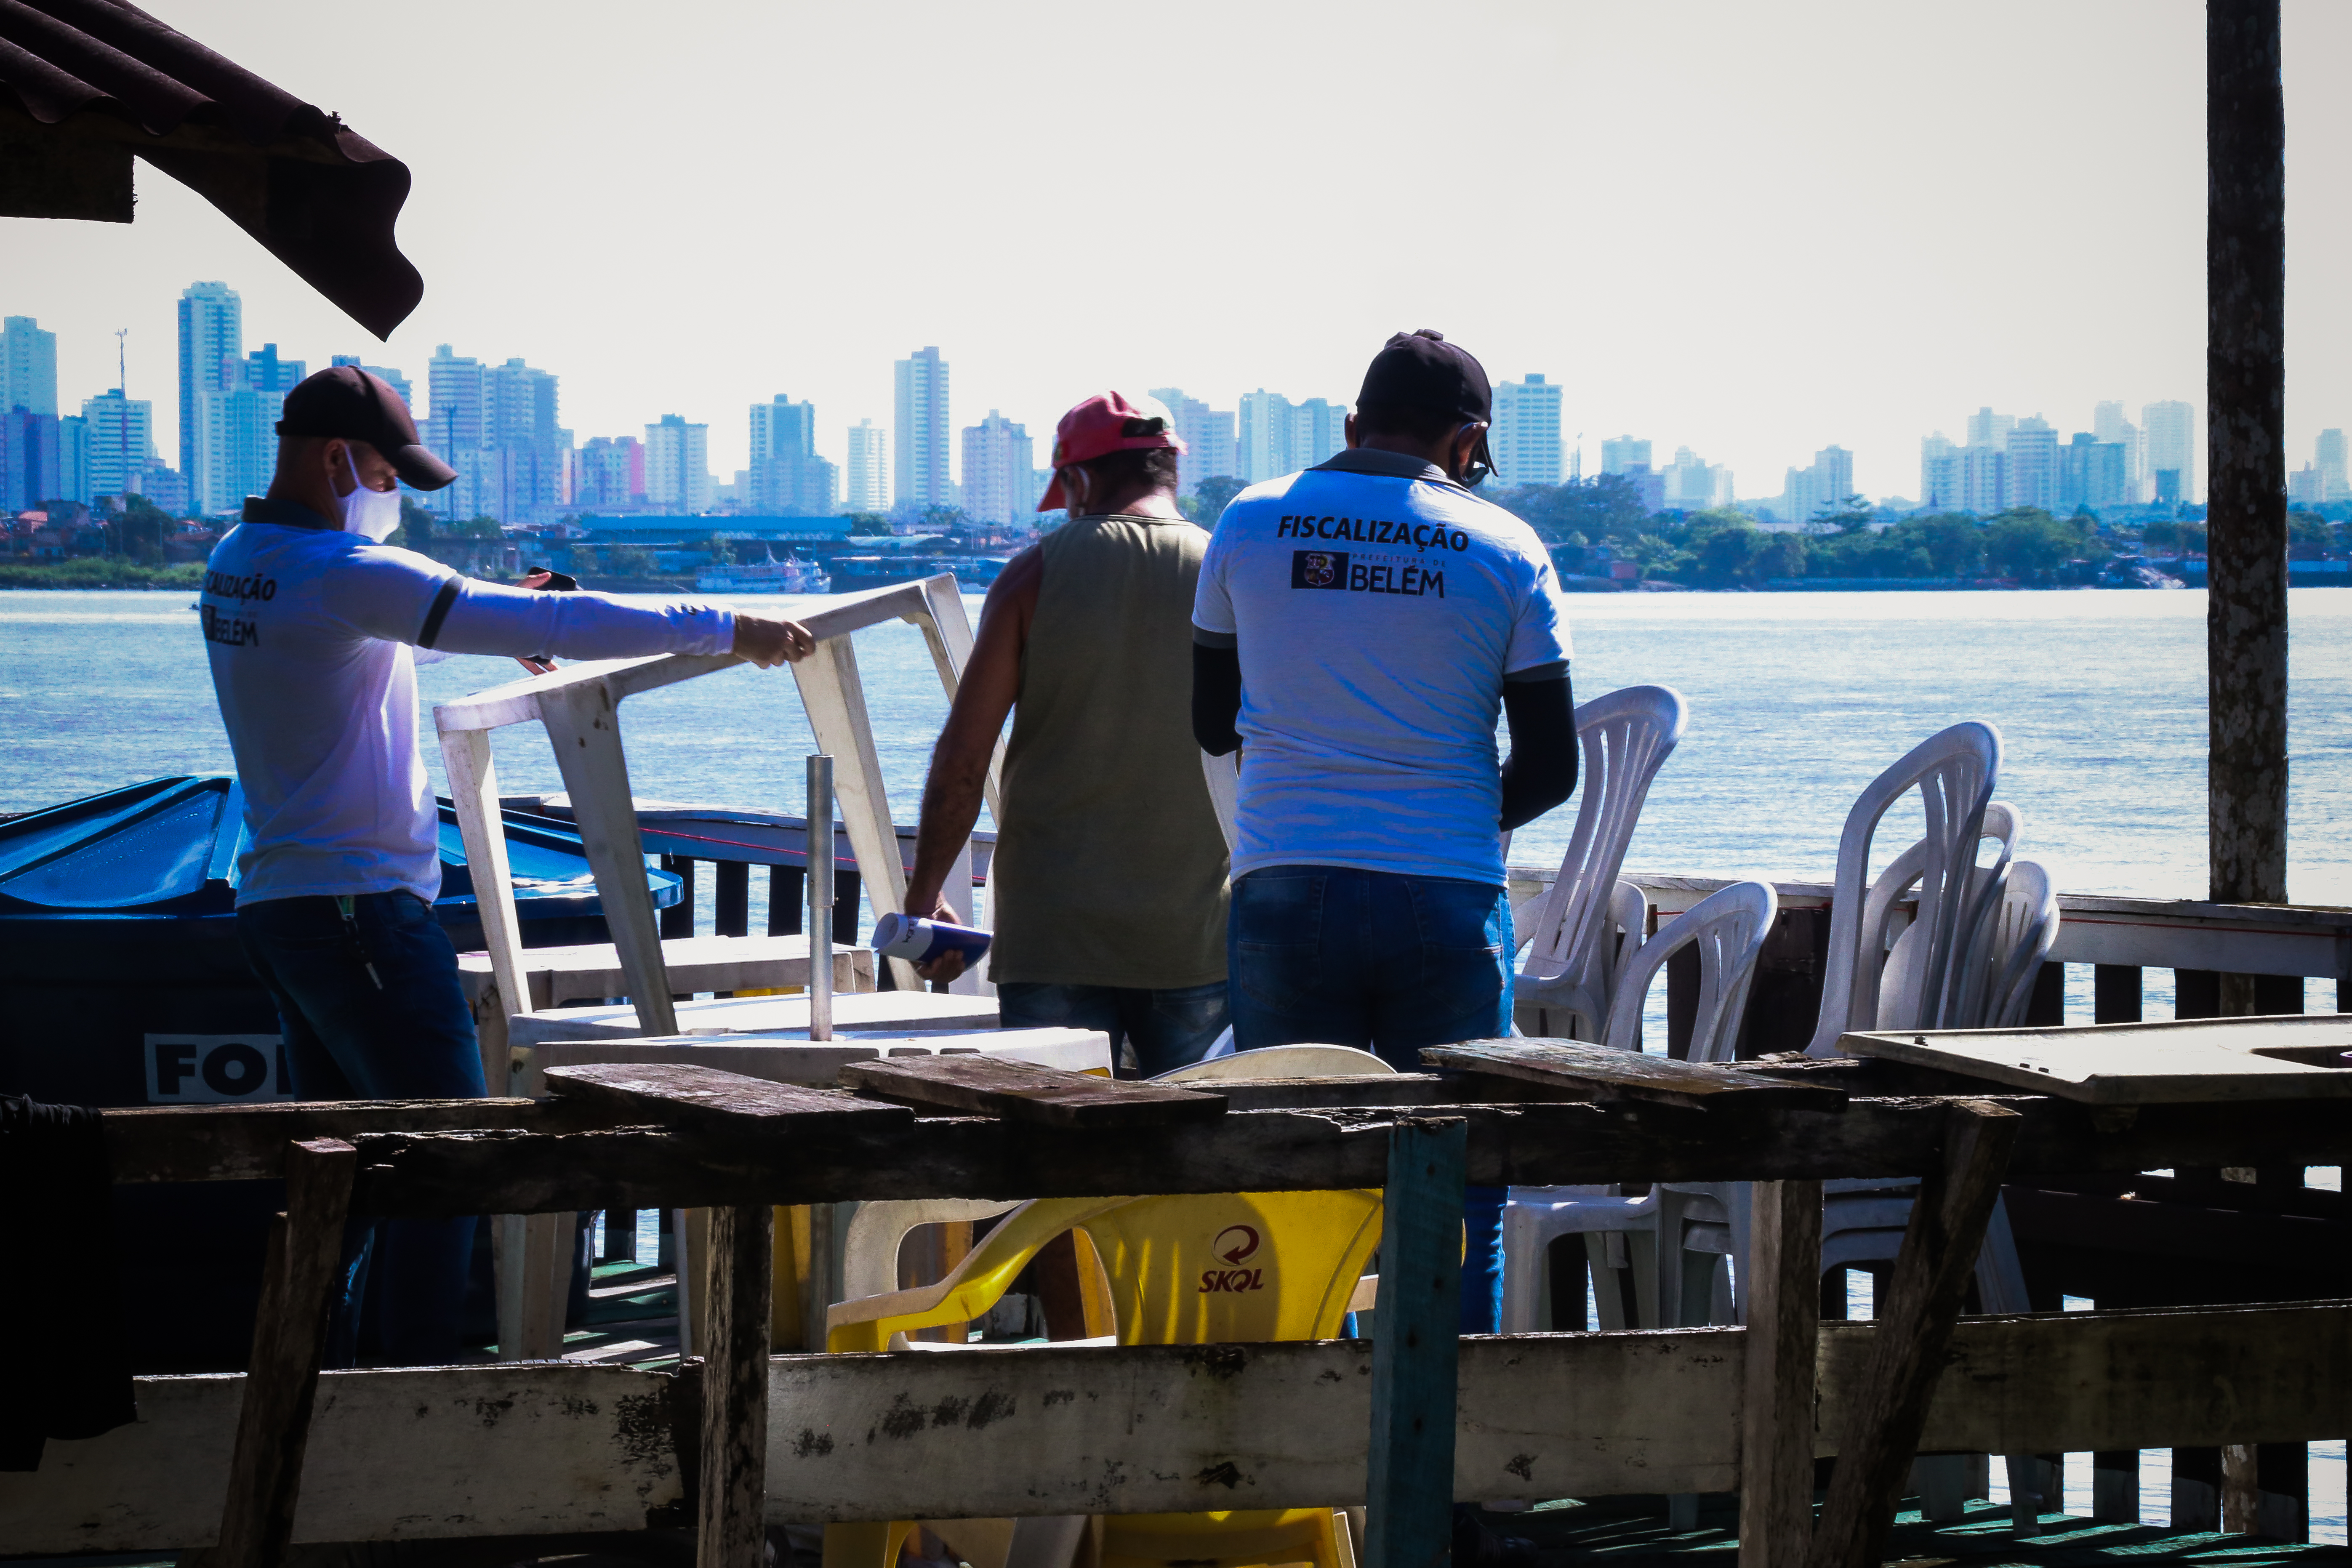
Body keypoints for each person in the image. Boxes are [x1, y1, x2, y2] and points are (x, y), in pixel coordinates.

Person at [200, 365, 813, 1366]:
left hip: (282, 908)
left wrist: (490, 622)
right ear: (334, 460)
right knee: (453, 1164)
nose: (391, 495)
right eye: (387, 476)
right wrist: (727, 630)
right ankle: (419, 1408)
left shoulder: (241, 561)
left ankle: (326, 1396)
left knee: (348, 1177)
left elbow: (343, 651)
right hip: (361, 919)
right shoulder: (342, 570)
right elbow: (550, 626)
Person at [1189, 330, 1580, 1335]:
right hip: (1444, 896)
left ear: (1354, 425)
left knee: (1290, 1177)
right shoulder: (1506, 547)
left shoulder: (1248, 520)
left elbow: (1207, 720)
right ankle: (1448, 1472)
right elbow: (1551, 766)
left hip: (1285, 883)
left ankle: (1311, 1469)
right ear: (1470, 441)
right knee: (1455, 1190)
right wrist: (1441, 816)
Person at [902, 391, 1230, 1077]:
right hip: (1195, 935)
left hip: (1053, 935)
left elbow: (965, 759)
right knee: (1201, 1150)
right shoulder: (1230, 571)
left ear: (1080, 479)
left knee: (1056, 1155)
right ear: (1170, 468)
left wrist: (924, 893)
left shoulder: (1034, 574)